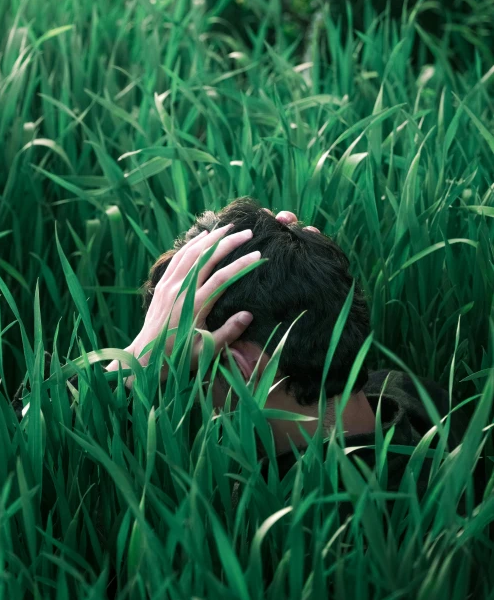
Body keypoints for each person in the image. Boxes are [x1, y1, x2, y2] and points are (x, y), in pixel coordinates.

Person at [106, 197, 468, 492]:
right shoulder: (416, 398)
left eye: (190, 364)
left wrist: (139, 359)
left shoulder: (269, 519)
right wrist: (300, 260)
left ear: (237, 367)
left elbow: (59, 442)